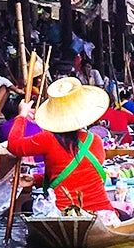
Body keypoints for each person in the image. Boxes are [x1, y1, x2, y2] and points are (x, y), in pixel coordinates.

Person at [8, 76, 117, 220]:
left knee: (27, 206)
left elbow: (14, 145)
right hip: (101, 213)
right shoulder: (95, 140)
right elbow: (79, 172)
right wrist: (35, 179)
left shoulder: (48, 139)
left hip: (61, 213)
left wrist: (22, 115)